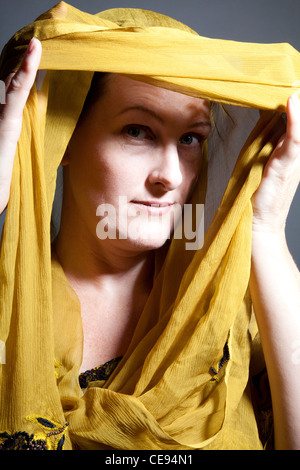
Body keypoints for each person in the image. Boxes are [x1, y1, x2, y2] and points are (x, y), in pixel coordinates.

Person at [0, 4, 299, 450]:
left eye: (190, 138)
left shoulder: (226, 308)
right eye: (138, 131)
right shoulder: (9, 306)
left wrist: (265, 230)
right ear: (62, 135)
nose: (171, 176)